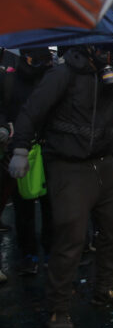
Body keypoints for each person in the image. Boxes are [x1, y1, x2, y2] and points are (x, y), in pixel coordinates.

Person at [9, 43, 113, 328]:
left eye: (111, 50)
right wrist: (20, 148)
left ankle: (105, 289)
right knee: (70, 237)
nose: (107, 55)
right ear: (87, 47)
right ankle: (58, 308)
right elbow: (31, 112)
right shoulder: (62, 75)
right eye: (102, 49)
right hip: (68, 164)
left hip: (104, 162)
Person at [0, 47, 54, 275]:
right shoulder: (9, 80)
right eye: (34, 56)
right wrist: (3, 127)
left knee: (50, 205)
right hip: (19, 149)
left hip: (49, 149)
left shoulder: (53, 77)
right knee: (23, 208)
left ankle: (50, 252)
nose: (39, 61)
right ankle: (28, 254)